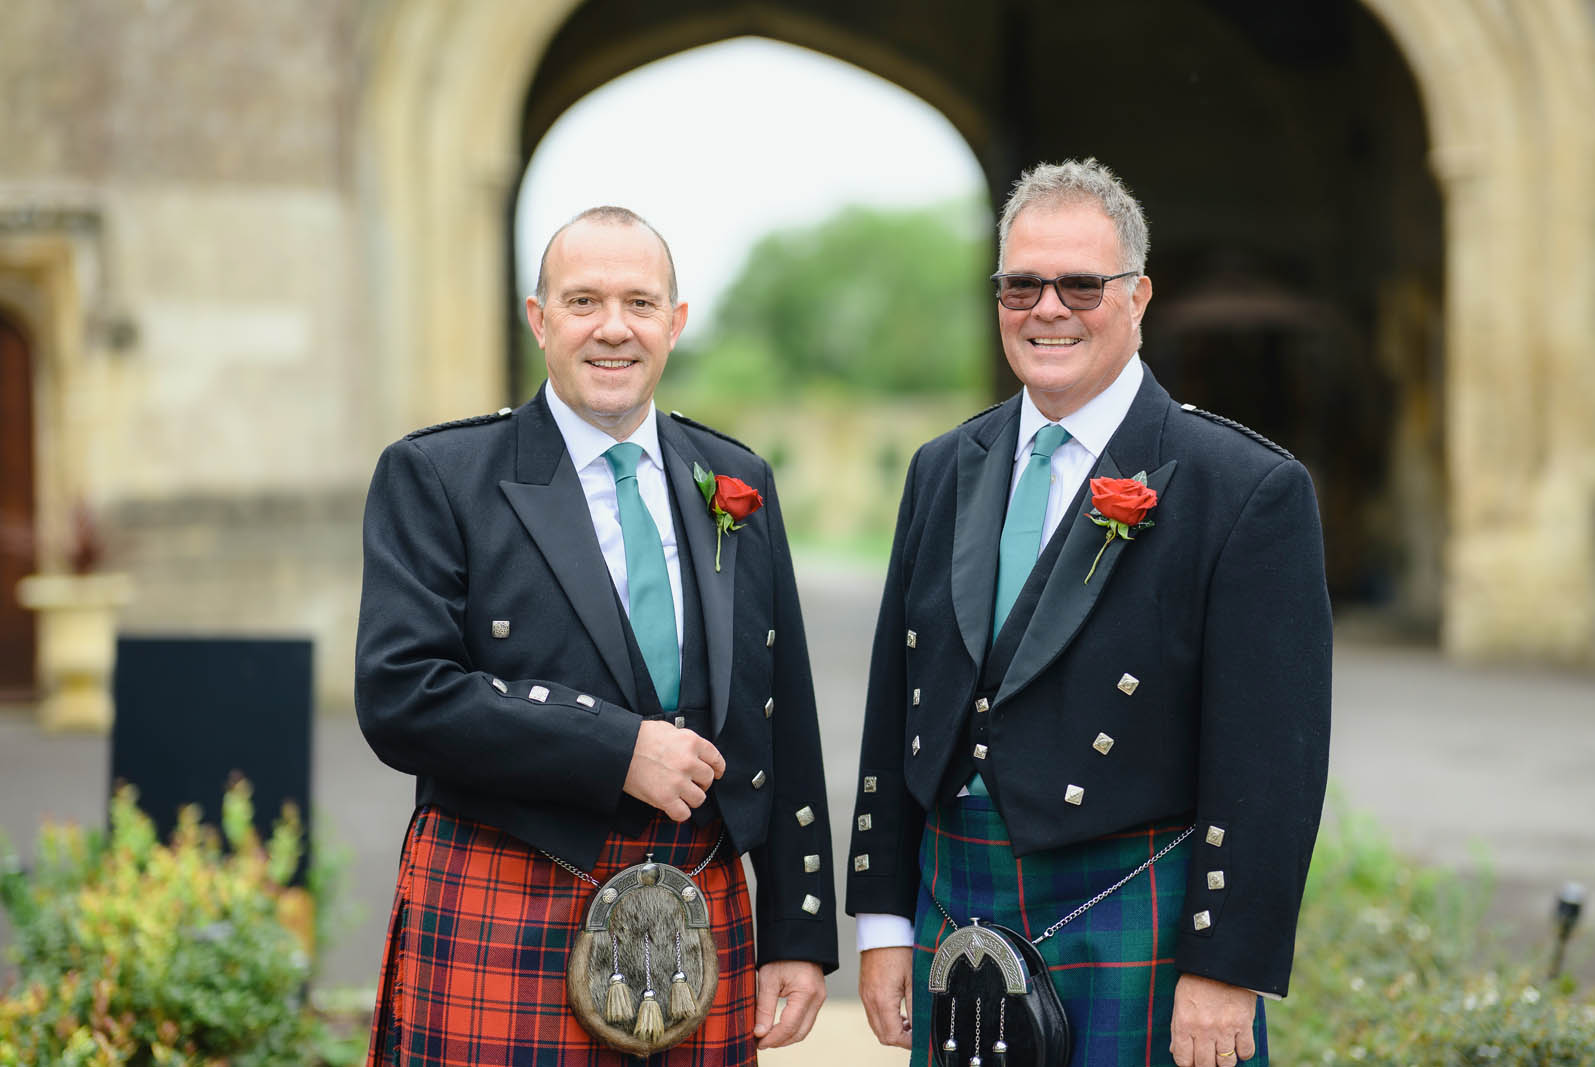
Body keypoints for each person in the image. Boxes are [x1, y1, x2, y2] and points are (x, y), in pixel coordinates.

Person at [846, 159, 1331, 1067]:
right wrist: (882, 918)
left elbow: (1273, 760)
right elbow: (899, 701)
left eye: (1081, 283)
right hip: (958, 899)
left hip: (1130, 908)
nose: (1048, 307)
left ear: (1139, 296)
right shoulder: (943, 467)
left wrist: (1227, 965)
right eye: (1021, 283)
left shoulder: (1245, 487)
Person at [356, 206, 836, 1065]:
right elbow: (402, 695)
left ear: (676, 323)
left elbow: (783, 710)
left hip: (700, 896)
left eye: (640, 304)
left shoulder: (734, 481)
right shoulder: (440, 476)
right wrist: (617, 748)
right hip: (510, 892)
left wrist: (798, 929)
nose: (613, 328)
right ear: (539, 320)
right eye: (583, 301)